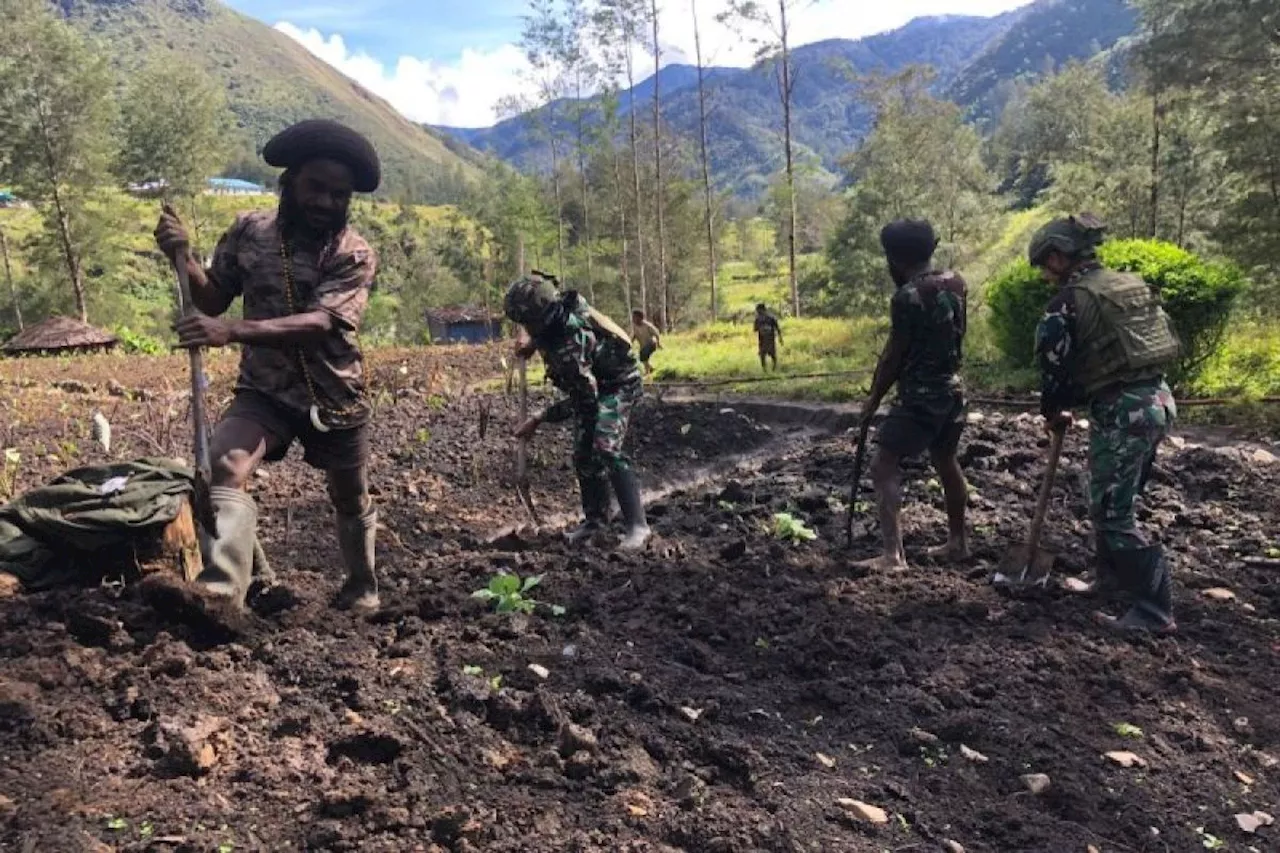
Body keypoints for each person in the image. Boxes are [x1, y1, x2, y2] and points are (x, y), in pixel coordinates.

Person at [153, 119, 382, 612]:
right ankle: (223, 596)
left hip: (334, 393)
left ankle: (362, 585)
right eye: (315, 188)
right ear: (290, 181)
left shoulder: (355, 252)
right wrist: (183, 255)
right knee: (224, 467)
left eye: (338, 195)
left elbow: (323, 322)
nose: (324, 202)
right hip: (266, 389)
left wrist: (233, 332)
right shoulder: (248, 231)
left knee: (349, 494)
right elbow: (212, 298)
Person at [1030, 213, 1180, 634]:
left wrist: (1054, 409)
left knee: (1113, 511)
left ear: (1058, 258)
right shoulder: (1127, 285)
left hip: (1123, 410)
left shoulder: (1068, 301)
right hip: (1155, 400)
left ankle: (1154, 610)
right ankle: (1110, 579)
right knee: (1108, 495)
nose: (1044, 275)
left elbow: (1053, 367)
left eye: (1044, 265)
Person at [505, 273, 651, 551]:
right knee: (583, 454)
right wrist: (532, 346)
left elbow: (583, 401)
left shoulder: (570, 348)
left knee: (605, 446)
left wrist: (539, 418)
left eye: (528, 323)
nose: (526, 328)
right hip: (595, 379)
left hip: (619, 383)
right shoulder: (562, 307)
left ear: (541, 318)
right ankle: (596, 521)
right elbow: (553, 327)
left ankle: (638, 526)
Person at [857, 219, 970, 571]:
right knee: (946, 460)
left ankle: (893, 555)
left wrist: (873, 398)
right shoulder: (956, 283)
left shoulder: (906, 297)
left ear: (895, 259)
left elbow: (894, 354)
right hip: (953, 390)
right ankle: (958, 542)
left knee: (883, 464)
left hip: (922, 396)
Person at [631, 310, 662, 376]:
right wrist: (630, 343)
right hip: (643, 346)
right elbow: (634, 336)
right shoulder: (635, 326)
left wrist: (658, 343)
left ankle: (647, 371)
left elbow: (656, 333)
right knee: (642, 357)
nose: (633, 319)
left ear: (640, 318)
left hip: (651, 344)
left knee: (643, 355)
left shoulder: (647, 325)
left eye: (634, 317)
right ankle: (650, 368)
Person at [753, 303, 782, 372]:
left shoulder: (769, 318)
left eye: (758, 311)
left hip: (767, 339)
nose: (758, 312)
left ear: (762, 310)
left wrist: (780, 338)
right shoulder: (760, 319)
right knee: (766, 354)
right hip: (765, 339)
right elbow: (755, 329)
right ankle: (767, 369)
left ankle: (771, 369)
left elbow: (777, 328)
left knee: (769, 354)